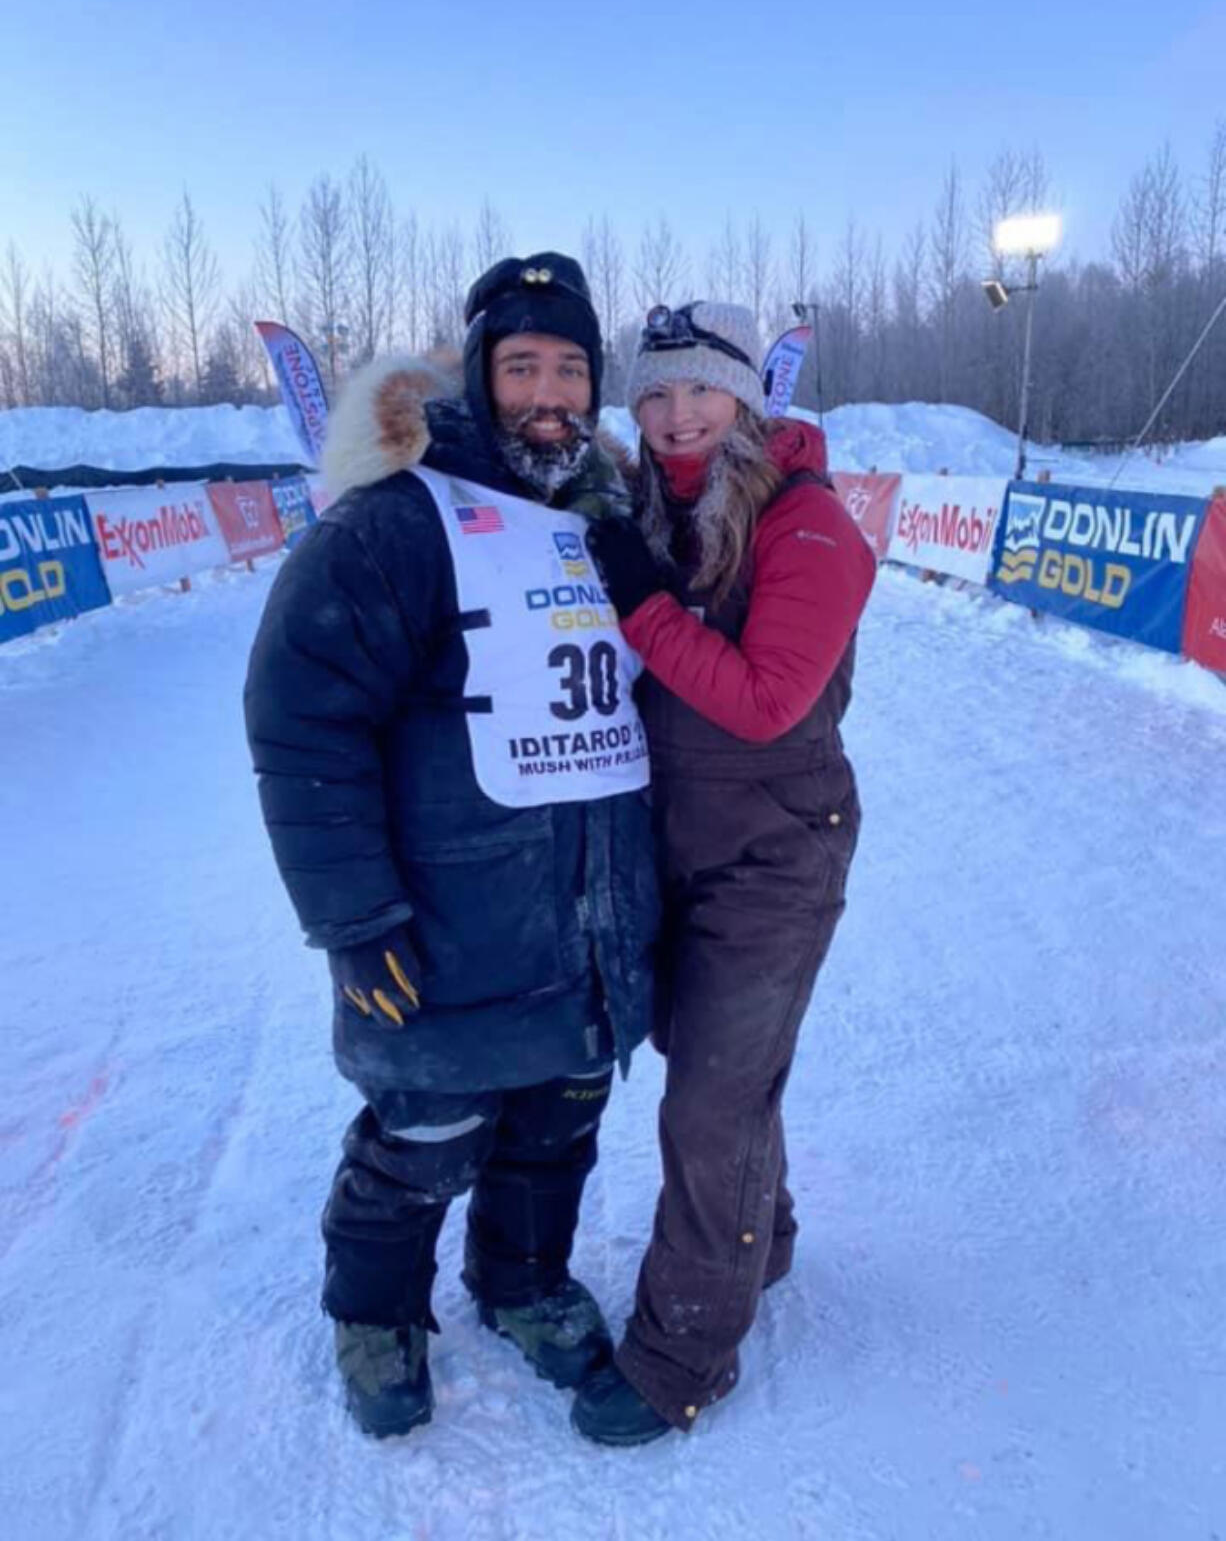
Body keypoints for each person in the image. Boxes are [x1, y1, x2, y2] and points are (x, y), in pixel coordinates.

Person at [244, 253, 660, 1439]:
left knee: (558, 1121)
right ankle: (374, 1315)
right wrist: (354, 917)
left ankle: (520, 1281)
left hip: (587, 919)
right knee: (423, 1137)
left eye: (570, 370)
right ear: (478, 381)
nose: (548, 394)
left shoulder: (613, 520)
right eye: (521, 366)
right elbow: (301, 715)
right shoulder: (397, 521)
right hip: (442, 926)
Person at [570, 301, 876, 1446]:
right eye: (653, 394)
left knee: (707, 1105)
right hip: (672, 838)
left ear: (748, 396)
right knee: (716, 1078)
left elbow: (762, 700)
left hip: (777, 849)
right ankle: (766, 1234)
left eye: (699, 389)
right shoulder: (652, 503)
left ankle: (681, 1353)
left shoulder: (808, 529)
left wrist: (641, 601)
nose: (676, 413)